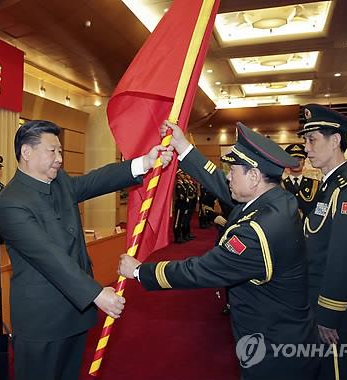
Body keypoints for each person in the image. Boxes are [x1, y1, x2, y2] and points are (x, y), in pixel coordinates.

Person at [119, 120, 319, 380]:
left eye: (232, 170)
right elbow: (221, 185)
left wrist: (139, 271)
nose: (227, 175)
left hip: (274, 349)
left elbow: (201, 270)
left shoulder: (257, 232)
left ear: (255, 176)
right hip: (288, 333)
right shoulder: (278, 199)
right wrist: (183, 146)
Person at [0, 120, 173, 380]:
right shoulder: (10, 202)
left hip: (74, 312)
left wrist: (143, 162)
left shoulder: (59, 182)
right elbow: (49, 257)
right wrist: (96, 293)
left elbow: (94, 181)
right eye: (52, 151)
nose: (59, 158)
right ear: (26, 152)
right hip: (42, 321)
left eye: (61, 151)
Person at [299, 104, 347, 380]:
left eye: (312, 140)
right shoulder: (330, 184)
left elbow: (346, 257)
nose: (306, 148)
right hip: (320, 297)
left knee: (336, 371)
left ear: (335, 141)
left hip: (337, 307)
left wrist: (329, 313)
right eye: (304, 140)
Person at [282, 143, 320, 218]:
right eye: (293, 159)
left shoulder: (314, 184)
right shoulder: (280, 185)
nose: (296, 162)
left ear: (304, 162)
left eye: (299, 159)